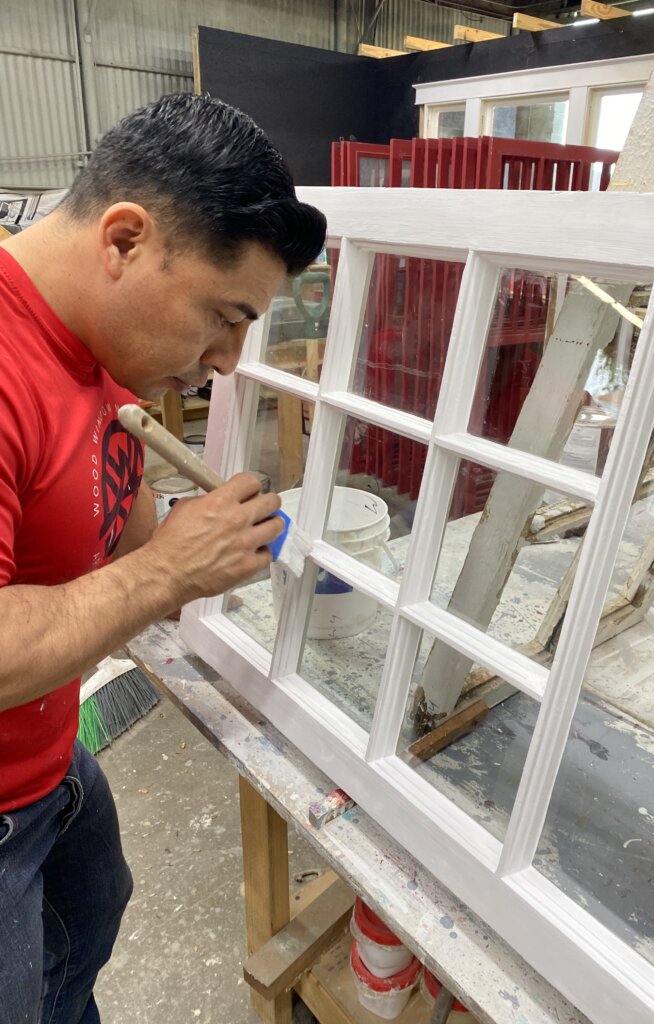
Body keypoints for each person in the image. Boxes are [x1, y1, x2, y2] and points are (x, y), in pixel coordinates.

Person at [0, 92, 326, 1024]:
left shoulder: (98, 342)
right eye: (223, 317)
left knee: (86, 934)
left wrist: (192, 540)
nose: (227, 360)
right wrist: (169, 571)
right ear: (126, 239)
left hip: (48, 757)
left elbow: (109, 514)